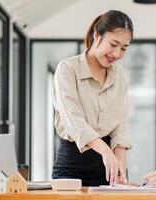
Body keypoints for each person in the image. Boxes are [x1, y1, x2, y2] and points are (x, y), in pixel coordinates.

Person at [51, 10, 133, 186]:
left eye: (124, 48)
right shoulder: (67, 69)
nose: (117, 54)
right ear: (97, 35)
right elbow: (74, 121)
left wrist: (120, 173)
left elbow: (120, 129)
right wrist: (106, 152)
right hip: (71, 168)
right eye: (114, 44)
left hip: (107, 169)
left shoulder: (121, 76)